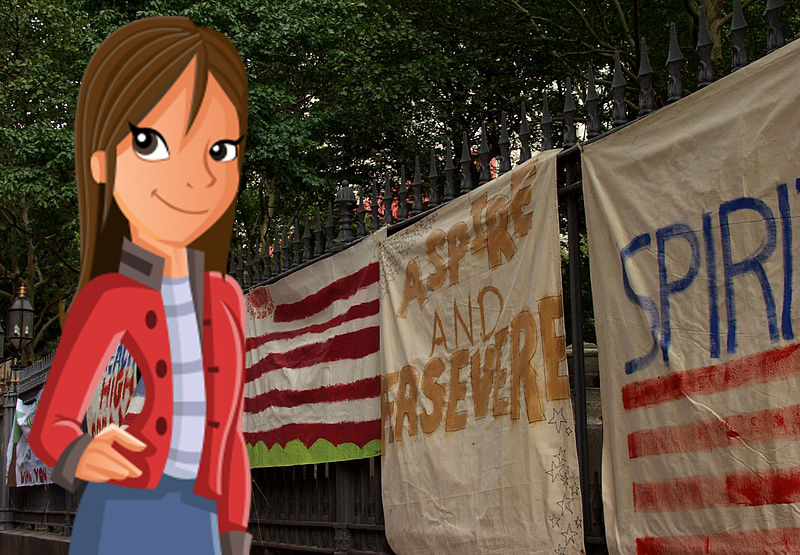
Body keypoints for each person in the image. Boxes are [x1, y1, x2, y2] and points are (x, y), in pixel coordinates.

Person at [28, 16, 251, 555]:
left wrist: (236, 529)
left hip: (202, 516)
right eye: (151, 143)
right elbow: (49, 424)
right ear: (102, 163)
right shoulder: (107, 297)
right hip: (125, 507)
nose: (194, 178)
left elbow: (232, 437)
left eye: (218, 151)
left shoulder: (226, 299)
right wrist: (80, 453)